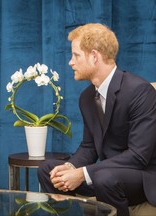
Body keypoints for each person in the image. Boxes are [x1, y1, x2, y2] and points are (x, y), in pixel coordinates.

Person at [37, 23, 156, 216]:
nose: (70, 62)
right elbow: (89, 147)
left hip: (141, 178)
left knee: (104, 177)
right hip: (104, 175)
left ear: (94, 56)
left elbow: (138, 156)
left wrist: (82, 174)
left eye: (75, 55)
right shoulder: (86, 97)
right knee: (49, 170)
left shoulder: (139, 91)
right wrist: (70, 167)